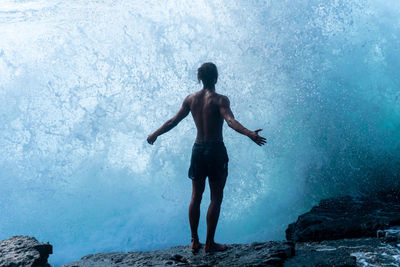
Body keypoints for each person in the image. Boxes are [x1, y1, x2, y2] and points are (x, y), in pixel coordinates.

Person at [147, 62, 266, 253]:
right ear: (216, 77)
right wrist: (250, 134)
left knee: (196, 196)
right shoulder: (220, 100)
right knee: (215, 198)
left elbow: (173, 121)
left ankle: (194, 241)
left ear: (200, 78)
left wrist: (155, 134)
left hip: (198, 150)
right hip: (215, 150)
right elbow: (230, 121)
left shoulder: (190, 99)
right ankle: (209, 244)